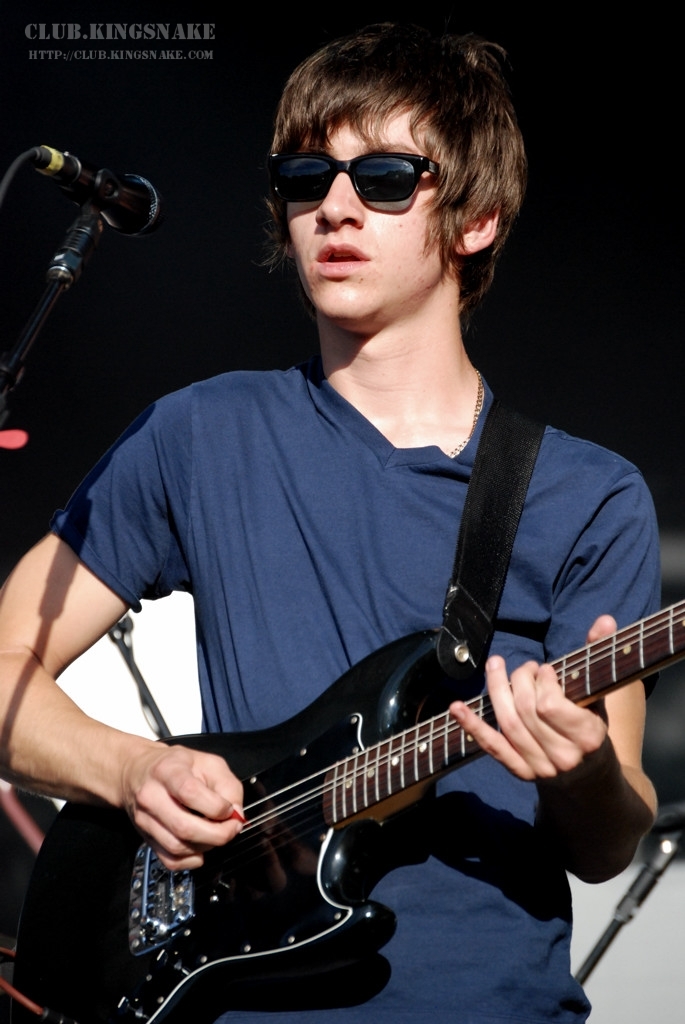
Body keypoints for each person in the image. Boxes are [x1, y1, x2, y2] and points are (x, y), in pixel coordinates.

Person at [0, 21, 660, 1024]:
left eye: (386, 178)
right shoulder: (199, 434)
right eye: (307, 177)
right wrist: (132, 770)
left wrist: (584, 774)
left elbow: (609, 841)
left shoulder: (588, 494)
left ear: (477, 218)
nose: (335, 206)